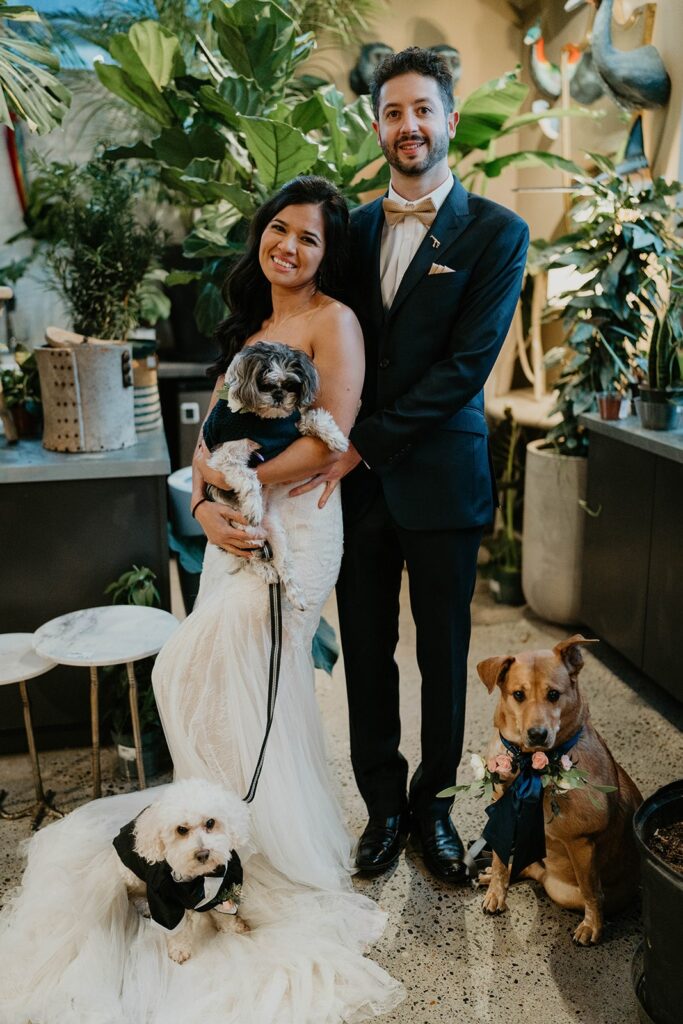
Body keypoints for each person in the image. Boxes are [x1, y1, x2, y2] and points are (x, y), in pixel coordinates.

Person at [0, 176, 403, 1024]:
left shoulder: (336, 322)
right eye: (278, 229)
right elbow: (205, 443)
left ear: (329, 254)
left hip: (294, 530)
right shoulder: (252, 330)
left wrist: (240, 481)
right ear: (261, 236)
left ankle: (269, 854)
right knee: (209, 683)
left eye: (309, 237)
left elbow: (330, 437)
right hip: (232, 529)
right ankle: (208, 837)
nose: (287, 246)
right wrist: (206, 505)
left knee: (231, 678)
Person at [293, 49, 530, 883]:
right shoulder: (348, 231)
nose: (409, 126)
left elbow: (464, 367)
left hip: (439, 478)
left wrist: (363, 440)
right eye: (393, 112)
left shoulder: (498, 233)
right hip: (351, 489)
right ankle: (383, 807)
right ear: (377, 124)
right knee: (365, 650)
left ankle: (434, 808)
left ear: (449, 119)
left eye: (422, 110)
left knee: (442, 652)